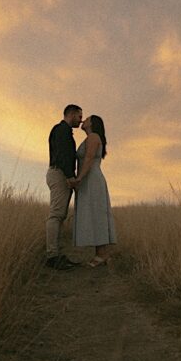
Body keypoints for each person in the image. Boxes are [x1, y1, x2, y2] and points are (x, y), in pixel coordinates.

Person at [67, 115, 116, 267]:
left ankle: (101, 255)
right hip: (89, 179)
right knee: (95, 214)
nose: (83, 120)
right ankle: (102, 254)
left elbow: (88, 159)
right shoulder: (91, 137)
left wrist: (79, 178)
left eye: (86, 119)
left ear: (92, 124)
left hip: (92, 179)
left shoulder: (94, 137)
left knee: (97, 214)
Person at [46, 104, 83, 269]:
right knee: (56, 215)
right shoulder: (61, 130)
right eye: (79, 116)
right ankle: (52, 257)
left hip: (61, 174)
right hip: (59, 174)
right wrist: (70, 176)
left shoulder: (64, 131)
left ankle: (56, 255)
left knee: (60, 215)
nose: (81, 120)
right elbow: (62, 155)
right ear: (72, 114)